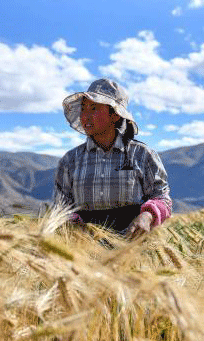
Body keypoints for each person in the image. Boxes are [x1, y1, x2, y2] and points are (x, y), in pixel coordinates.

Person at [54, 78, 172, 239]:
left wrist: (147, 217)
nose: (85, 116)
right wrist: (76, 229)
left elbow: (161, 197)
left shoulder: (143, 155)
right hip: (85, 249)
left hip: (132, 246)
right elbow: (61, 206)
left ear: (115, 115)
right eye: (83, 109)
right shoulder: (70, 161)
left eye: (93, 108)